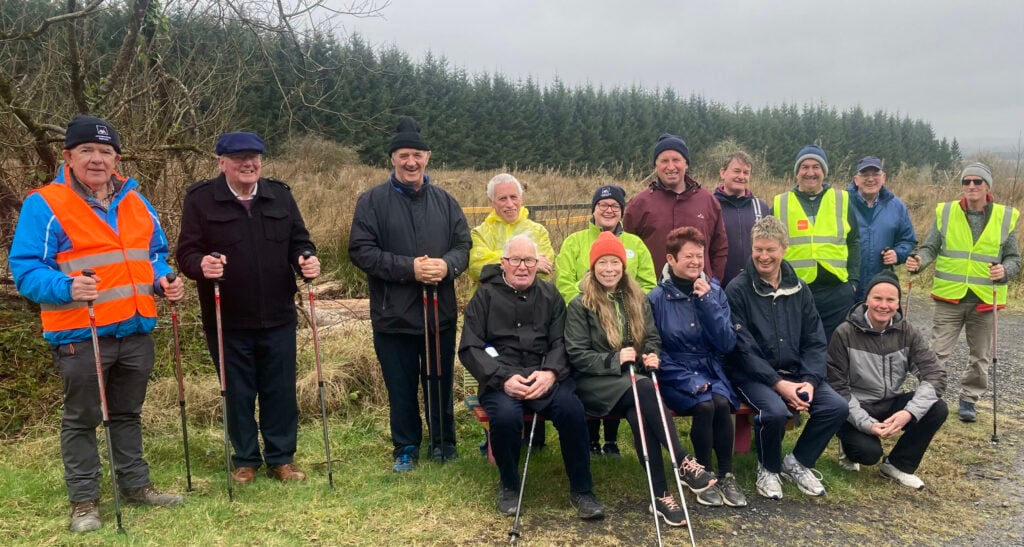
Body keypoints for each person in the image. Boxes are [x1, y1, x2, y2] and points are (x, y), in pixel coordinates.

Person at [10, 114, 184, 533]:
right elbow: (26, 269)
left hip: (136, 328)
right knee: (83, 417)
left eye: (105, 151)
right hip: (80, 332)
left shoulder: (136, 201)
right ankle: (85, 501)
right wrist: (66, 286)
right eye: (86, 150)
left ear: (116, 158)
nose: (96, 159)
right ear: (68, 156)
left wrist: (162, 279)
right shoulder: (45, 203)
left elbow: (154, 253)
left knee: (127, 413)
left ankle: (135, 487)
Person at [177, 131, 319, 484]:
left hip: (278, 315)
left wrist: (306, 258)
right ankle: (245, 460)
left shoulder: (280, 196)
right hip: (227, 319)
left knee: (280, 390)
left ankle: (282, 458)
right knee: (236, 392)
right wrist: (200, 266)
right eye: (239, 158)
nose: (248, 163)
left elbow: (299, 240)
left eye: (254, 157)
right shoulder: (200, 199)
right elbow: (187, 253)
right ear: (221, 162)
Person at [565, 232, 717, 527]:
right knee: (644, 388)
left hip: (633, 382)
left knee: (640, 412)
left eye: (615, 263)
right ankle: (684, 461)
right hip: (595, 382)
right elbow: (577, 356)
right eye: (603, 263)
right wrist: (614, 359)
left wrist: (651, 355)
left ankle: (660, 496)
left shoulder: (637, 298)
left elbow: (650, 338)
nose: (609, 269)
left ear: (623, 266)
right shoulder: (580, 304)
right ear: (593, 266)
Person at [348, 117, 471, 470]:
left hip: (439, 314)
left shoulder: (446, 202)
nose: (411, 162)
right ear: (393, 159)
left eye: (417, 154)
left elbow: (463, 244)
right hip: (393, 315)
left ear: (427, 157)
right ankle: (405, 447)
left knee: (439, 381)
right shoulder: (371, 202)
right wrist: (409, 269)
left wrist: (448, 266)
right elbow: (360, 251)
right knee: (400, 387)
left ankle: (444, 442)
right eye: (404, 155)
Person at [459, 234, 605, 520]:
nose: (522, 267)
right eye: (516, 260)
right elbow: (470, 346)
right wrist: (503, 378)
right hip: (501, 378)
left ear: (538, 263)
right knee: (504, 417)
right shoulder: (484, 296)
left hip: (545, 375)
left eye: (529, 260)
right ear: (504, 263)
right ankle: (510, 486)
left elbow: (562, 342)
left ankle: (582, 489)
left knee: (572, 410)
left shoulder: (551, 296)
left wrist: (551, 373)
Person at [724, 216, 849, 499]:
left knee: (836, 407)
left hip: (796, 374)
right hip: (752, 375)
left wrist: (810, 382)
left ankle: (798, 462)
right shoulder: (737, 289)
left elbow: (816, 340)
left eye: (770, 249)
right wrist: (779, 384)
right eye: (758, 249)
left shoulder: (800, 288)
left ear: (784, 248)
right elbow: (743, 349)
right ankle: (768, 468)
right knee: (775, 412)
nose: (763, 256)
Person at [905, 162, 1021, 423]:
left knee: (980, 356)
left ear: (987, 186)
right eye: (966, 182)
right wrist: (919, 262)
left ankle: (969, 399)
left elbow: (1014, 258)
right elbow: (930, 248)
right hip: (949, 297)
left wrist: (1004, 270)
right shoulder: (946, 212)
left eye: (977, 182)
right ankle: (929, 397)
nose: (971, 186)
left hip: (984, 298)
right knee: (936, 352)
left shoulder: (1004, 217)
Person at [649, 227, 747, 508]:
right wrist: (689, 380)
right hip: (674, 371)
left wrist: (707, 302)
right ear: (671, 259)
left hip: (710, 366)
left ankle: (726, 473)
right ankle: (702, 474)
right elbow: (655, 348)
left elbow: (727, 342)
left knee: (721, 403)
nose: (695, 262)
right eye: (688, 256)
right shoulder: (656, 298)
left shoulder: (715, 291)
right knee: (704, 406)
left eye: (699, 256)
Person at [557, 184, 657, 458]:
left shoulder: (635, 244)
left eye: (615, 206)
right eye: (603, 205)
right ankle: (591, 440)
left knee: (623, 368)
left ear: (622, 212)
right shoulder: (574, 242)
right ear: (593, 209)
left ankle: (611, 441)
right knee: (602, 367)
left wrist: (633, 306)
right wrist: (589, 306)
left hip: (626, 324)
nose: (609, 210)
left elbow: (648, 283)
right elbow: (564, 281)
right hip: (587, 320)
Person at [827, 271, 948, 489]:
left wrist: (908, 413)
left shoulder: (907, 332)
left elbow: (935, 374)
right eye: (878, 298)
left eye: (890, 300)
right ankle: (848, 447)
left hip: (890, 403)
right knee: (868, 453)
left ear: (898, 303)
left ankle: (897, 465)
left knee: (937, 408)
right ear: (867, 300)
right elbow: (838, 388)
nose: (884, 305)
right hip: (855, 407)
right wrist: (868, 425)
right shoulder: (844, 333)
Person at [772, 145, 861, 342]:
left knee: (836, 349)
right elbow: (770, 248)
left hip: (837, 292)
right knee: (800, 345)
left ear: (824, 172)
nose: (810, 172)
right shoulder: (780, 203)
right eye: (804, 167)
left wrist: (853, 282)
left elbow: (854, 242)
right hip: (796, 292)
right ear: (797, 172)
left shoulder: (842, 199)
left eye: (816, 167)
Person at [624, 133, 729, 279]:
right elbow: (627, 250)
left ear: (686, 163)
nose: (671, 166)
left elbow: (719, 249)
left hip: (699, 294)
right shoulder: (639, 204)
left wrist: (713, 284)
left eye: (676, 160)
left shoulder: (708, 201)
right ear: (656, 165)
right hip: (653, 294)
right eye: (664, 161)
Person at [847, 156, 918, 303]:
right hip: (847, 284)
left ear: (883, 177)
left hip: (881, 286)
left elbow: (908, 240)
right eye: (865, 175)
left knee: (879, 324)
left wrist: (897, 254)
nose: (870, 179)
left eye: (875, 174)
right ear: (856, 179)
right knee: (846, 325)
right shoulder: (841, 203)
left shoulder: (897, 206)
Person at [468, 173, 555, 284]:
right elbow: (477, 268)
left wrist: (499, 264)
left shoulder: (538, 231)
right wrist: (528, 261)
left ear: (521, 198)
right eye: (503, 199)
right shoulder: (479, 233)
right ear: (492, 202)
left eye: (513, 197)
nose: (510, 204)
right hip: (490, 299)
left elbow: (545, 268)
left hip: (531, 299)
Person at [713, 151, 769, 288]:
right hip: (718, 287)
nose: (741, 177)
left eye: (746, 172)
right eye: (736, 171)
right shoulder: (710, 205)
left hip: (755, 287)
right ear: (723, 173)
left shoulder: (761, 207)